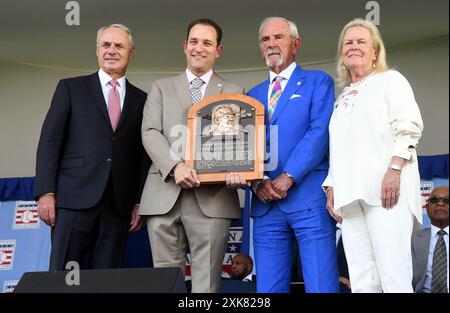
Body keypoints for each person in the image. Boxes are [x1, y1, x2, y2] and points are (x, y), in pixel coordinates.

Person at [139, 18, 247, 293]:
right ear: (185, 46)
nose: (200, 48)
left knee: (207, 284)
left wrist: (238, 170)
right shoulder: (161, 87)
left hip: (213, 198)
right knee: (165, 283)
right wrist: (175, 166)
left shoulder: (235, 91)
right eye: (195, 41)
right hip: (164, 194)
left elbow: (235, 144)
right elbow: (150, 131)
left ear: (218, 51)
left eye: (207, 43)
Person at [35, 24, 150, 270]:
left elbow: (143, 156)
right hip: (73, 200)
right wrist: (46, 192)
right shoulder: (70, 88)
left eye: (119, 46)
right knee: (65, 276)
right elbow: (50, 141)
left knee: (106, 280)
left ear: (131, 53)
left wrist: (140, 202)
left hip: (118, 206)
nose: (112, 51)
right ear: (97, 51)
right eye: (105, 45)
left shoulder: (143, 100)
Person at [323, 18, 424, 293]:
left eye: (361, 42)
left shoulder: (391, 80)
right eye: (348, 42)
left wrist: (394, 170)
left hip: (386, 192)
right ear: (342, 52)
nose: (354, 47)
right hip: (351, 196)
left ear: (376, 51)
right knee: (362, 279)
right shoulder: (342, 97)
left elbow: (409, 127)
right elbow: (339, 146)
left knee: (393, 275)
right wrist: (332, 187)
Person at [247, 16, 339, 293]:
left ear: (295, 44)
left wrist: (289, 176)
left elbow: (319, 133)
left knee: (321, 285)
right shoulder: (250, 95)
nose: (271, 44)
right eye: (265, 39)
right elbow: (244, 146)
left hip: (308, 199)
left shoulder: (318, 82)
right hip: (265, 204)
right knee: (268, 289)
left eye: (279, 37)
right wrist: (257, 180)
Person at [412, 186, 449, 293]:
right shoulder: (412, 240)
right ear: (427, 207)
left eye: (447, 200)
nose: (441, 203)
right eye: (435, 200)